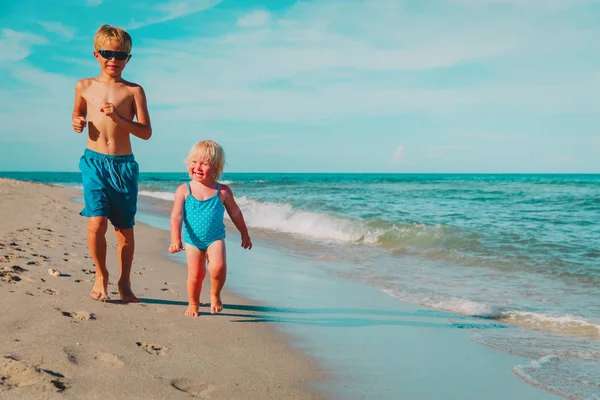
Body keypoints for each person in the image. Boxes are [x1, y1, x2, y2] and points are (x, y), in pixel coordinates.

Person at [71, 24, 152, 303]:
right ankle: (101, 274)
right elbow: (77, 113)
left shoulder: (134, 91)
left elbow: (146, 132)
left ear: (128, 58)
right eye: (107, 53)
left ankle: (125, 281)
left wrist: (119, 118)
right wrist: (77, 122)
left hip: (123, 166)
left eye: (120, 55)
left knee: (125, 231)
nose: (113, 60)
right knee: (96, 224)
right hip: (93, 162)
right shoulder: (84, 86)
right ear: (96, 54)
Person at [169, 140, 252, 316]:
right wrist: (175, 239)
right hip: (192, 240)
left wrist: (244, 233)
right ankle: (193, 303)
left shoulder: (222, 191)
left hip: (215, 237)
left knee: (218, 267)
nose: (198, 167)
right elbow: (176, 216)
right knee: (196, 275)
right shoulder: (184, 190)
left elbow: (235, 213)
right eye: (194, 162)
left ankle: (215, 295)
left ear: (216, 168)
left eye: (204, 164)